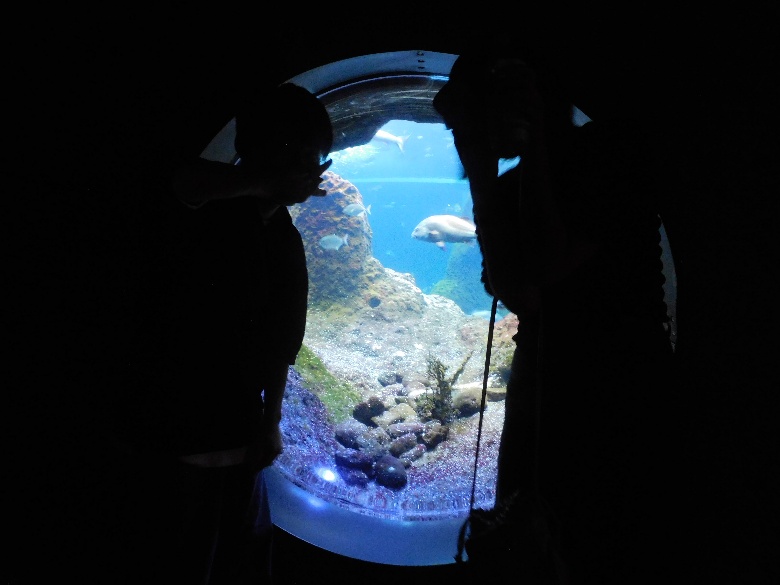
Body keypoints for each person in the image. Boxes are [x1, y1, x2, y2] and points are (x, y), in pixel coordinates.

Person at [434, 51, 677, 585]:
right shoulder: (507, 188)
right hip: (542, 385)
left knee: (607, 543)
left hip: (618, 384)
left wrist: (523, 156)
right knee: (527, 539)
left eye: (470, 122)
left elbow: (546, 267)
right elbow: (516, 292)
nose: (464, 138)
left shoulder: (610, 152)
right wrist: (485, 180)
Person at [126, 82, 333, 585]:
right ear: (253, 148)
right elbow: (183, 182)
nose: (307, 167)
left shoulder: (284, 238)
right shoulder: (198, 208)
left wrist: (271, 421)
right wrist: (265, 182)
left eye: (314, 156)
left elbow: (282, 341)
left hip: (240, 441)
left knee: (243, 562)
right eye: (295, 151)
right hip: (167, 433)